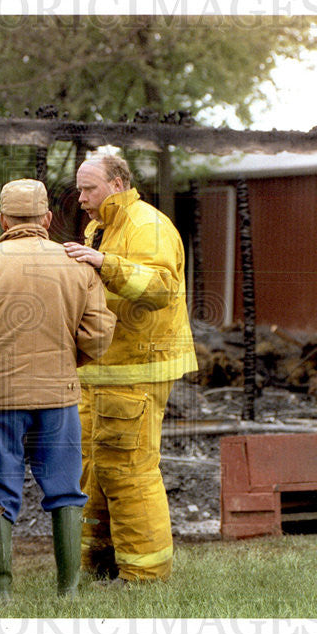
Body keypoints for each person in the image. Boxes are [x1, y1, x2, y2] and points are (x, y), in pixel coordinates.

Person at [0, 178, 115, 599]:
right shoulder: (77, 265)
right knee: (66, 490)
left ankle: (1, 589)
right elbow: (98, 335)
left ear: (3, 219)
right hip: (59, 399)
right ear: (47, 219)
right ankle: (68, 589)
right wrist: (67, 362)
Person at [63, 153, 197, 583]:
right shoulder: (100, 226)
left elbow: (159, 287)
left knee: (129, 470)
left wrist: (105, 264)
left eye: (90, 188)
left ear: (117, 184)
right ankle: (96, 564)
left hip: (137, 369)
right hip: (104, 368)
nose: (81, 198)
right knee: (93, 467)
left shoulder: (147, 225)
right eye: (80, 189)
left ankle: (146, 577)